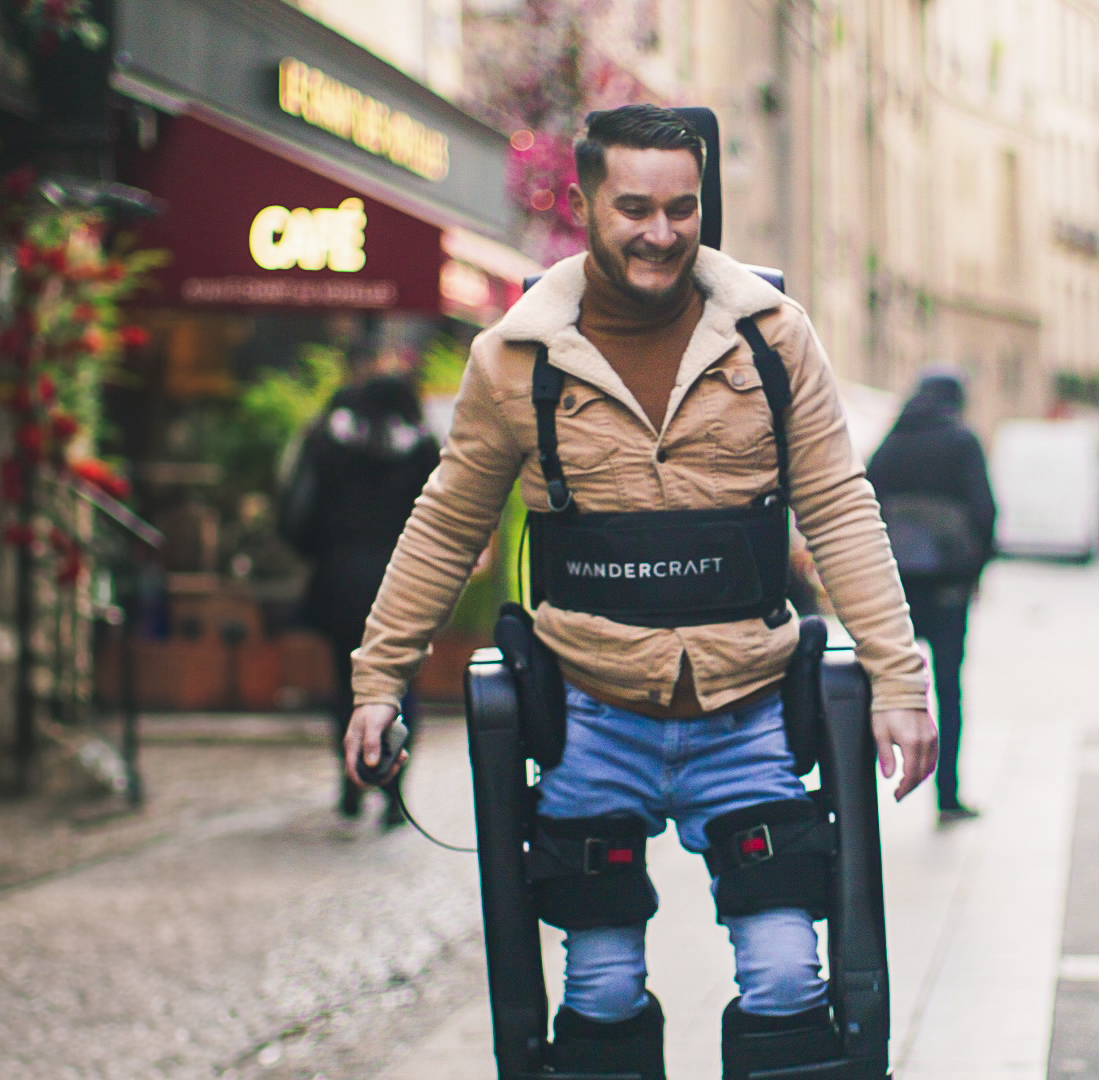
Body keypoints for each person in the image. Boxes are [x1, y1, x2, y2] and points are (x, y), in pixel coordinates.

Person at [343, 105, 935, 1077]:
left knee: (790, 978)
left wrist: (900, 685)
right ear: (584, 204)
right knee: (601, 989)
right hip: (590, 715)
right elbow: (447, 523)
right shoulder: (514, 357)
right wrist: (380, 682)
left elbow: (838, 506)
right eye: (635, 209)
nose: (661, 232)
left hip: (745, 712)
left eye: (681, 208)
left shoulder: (775, 341)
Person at [281, 362, 439, 828]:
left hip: (341, 582)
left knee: (346, 685)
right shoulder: (423, 448)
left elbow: (295, 518)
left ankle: (351, 780)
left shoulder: (326, 445)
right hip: (407, 584)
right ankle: (394, 790)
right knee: (402, 681)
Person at [867, 372, 996, 823]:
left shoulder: (890, 444)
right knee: (949, 690)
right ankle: (947, 795)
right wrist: (976, 571)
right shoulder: (962, 442)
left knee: (877, 688)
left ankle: (863, 792)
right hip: (948, 587)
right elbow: (985, 511)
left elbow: (862, 507)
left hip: (893, 591)